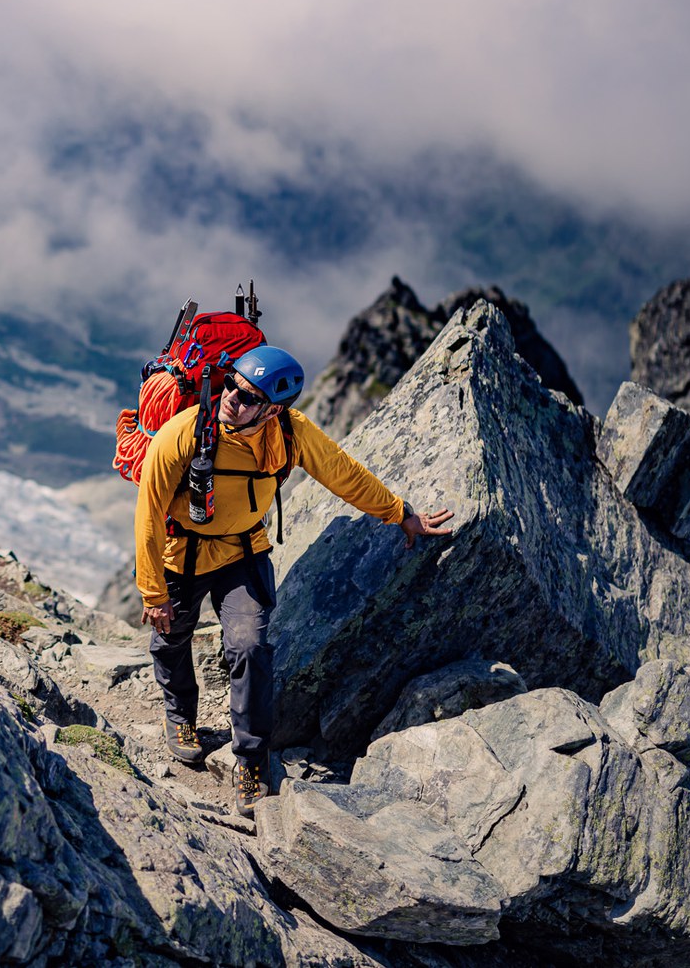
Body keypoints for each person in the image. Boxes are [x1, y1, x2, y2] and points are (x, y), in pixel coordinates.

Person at [133, 344, 454, 815]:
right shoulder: (182, 433)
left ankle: (251, 759)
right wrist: (153, 592)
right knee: (170, 639)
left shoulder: (289, 433)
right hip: (180, 552)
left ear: (273, 409)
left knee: (250, 647)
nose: (231, 399)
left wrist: (399, 512)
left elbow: (342, 473)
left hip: (242, 552)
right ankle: (180, 714)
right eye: (230, 386)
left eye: (246, 397)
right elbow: (147, 514)